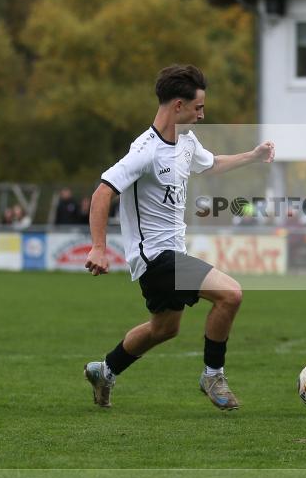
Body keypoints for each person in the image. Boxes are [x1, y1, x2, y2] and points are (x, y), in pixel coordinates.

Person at [83, 64, 275, 411]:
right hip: (155, 258)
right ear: (178, 106)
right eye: (198, 107)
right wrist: (99, 247)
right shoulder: (145, 150)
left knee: (164, 329)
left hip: (172, 254)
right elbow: (102, 192)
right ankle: (212, 375)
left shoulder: (186, 141)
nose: (202, 115)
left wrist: (252, 156)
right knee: (230, 294)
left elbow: (211, 164)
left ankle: (105, 371)